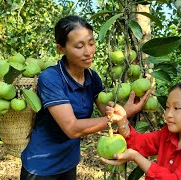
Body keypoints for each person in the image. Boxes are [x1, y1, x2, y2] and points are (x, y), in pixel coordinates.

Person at [20, 15, 150, 179]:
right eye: (79, 46)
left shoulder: (92, 77)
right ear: (61, 49)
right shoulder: (51, 78)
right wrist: (123, 114)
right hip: (41, 167)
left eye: (91, 43)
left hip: (69, 162)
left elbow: (107, 111)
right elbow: (72, 128)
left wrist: (131, 93)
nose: (88, 52)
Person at [102, 79, 181, 180]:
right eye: (167, 107)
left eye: (177, 108)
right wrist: (122, 119)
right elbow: (138, 143)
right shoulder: (167, 135)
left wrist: (136, 157)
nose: (168, 114)